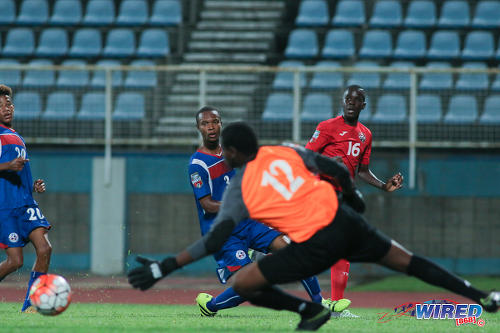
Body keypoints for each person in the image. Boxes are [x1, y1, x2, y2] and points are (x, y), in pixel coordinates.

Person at [129, 122, 498, 331]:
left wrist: (165, 266)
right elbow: (334, 168)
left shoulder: (241, 188)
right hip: (346, 222)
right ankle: (481, 295)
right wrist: (354, 199)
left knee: (246, 283)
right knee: (408, 261)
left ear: (234, 154)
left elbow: (214, 240)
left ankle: (309, 311)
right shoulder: (287, 149)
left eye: (226, 151)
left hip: (316, 243)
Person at [187, 106, 349, 317]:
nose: (211, 127)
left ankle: (321, 303)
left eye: (215, 122)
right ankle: (210, 307)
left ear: (221, 123)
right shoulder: (197, 164)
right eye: (205, 123)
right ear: (198, 128)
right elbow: (207, 205)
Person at [305, 84, 404, 310]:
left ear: (363, 105)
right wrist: (328, 165)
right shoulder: (327, 127)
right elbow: (306, 158)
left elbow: (361, 170)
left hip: (343, 196)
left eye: (356, 100)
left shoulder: (365, 134)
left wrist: (383, 186)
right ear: (343, 102)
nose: (351, 102)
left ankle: (337, 304)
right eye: (348, 99)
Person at [0, 84, 52, 312]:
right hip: (6, 208)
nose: (7, 108)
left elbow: (16, 173)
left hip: (26, 203)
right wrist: (7, 165)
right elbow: (8, 168)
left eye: (8, 103)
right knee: (15, 262)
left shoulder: (15, 136)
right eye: (0, 106)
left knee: (45, 249)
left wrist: (32, 185)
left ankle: (31, 304)